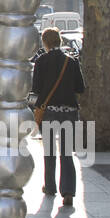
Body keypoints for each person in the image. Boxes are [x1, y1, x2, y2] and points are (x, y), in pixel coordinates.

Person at [32, 27, 85, 207]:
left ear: (45, 42)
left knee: (49, 151)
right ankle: (68, 191)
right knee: (66, 152)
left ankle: (50, 186)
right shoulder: (71, 62)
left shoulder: (41, 61)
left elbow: (37, 88)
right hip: (69, 110)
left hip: (49, 111)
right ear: (60, 41)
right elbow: (80, 88)